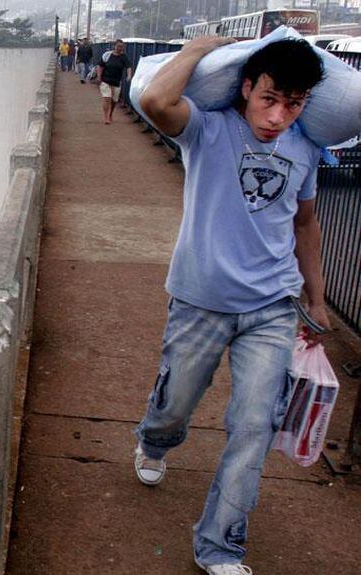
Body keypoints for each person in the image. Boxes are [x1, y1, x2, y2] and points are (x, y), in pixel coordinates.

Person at [134, 36, 328, 575]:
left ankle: (220, 545)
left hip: (272, 304)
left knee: (254, 426)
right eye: (269, 98)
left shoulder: (305, 150)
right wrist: (199, 48)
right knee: (176, 403)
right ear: (246, 87)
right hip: (201, 299)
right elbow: (154, 103)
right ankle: (154, 440)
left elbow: (305, 224)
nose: (278, 115)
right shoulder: (208, 129)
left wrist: (316, 297)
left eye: (294, 104)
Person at [96, 39, 132, 123]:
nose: (120, 48)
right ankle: (106, 117)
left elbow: (128, 67)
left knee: (114, 100)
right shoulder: (107, 55)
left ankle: (110, 113)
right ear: (114, 46)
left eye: (122, 47)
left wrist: (129, 75)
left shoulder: (124, 57)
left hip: (116, 81)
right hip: (105, 80)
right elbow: (100, 66)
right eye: (118, 46)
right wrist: (99, 77)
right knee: (107, 98)